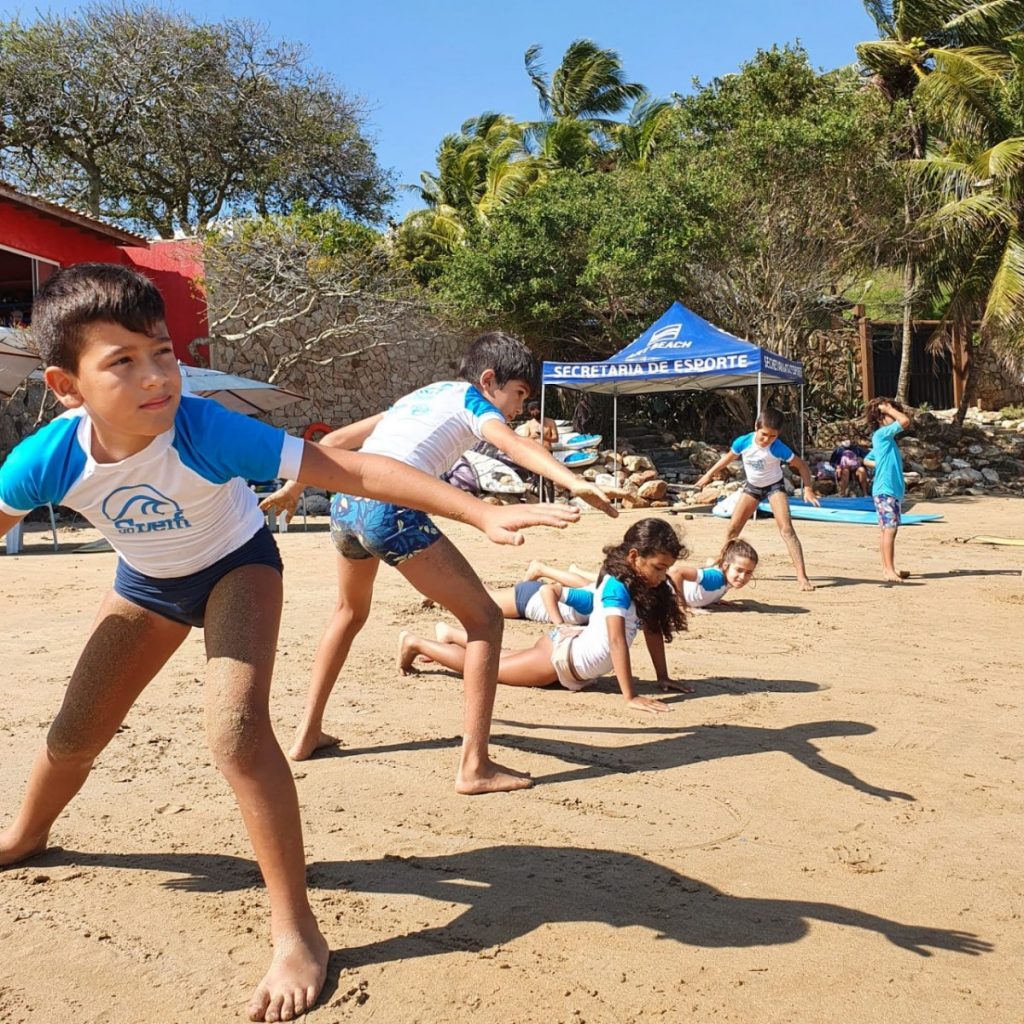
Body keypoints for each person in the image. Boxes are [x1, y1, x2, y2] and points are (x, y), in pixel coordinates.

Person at [0, 264, 579, 1023]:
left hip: (237, 568)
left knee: (236, 736)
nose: (157, 376)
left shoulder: (205, 430)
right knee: (75, 733)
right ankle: (26, 835)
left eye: (164, 352)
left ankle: (297, 931)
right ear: (66, 385)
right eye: (123, 361)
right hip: (145, 585)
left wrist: (476, 513)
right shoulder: (44, 459)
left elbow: (360, 467)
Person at [260, 331, 617, 772]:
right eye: (519, 394)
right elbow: (515, 444)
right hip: (389, 510)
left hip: (345, 507)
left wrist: (295, 490)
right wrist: (573, 480)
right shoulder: (474, 403)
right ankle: (475, 766)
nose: (520, 408)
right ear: (489, 380)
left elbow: (332, 443)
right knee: (484, 618)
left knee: (348, 613)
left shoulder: (422, 395)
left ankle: (306, 733)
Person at [399, 518, 691, 711]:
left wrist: (662, 676)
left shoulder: (642, 585)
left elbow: (653, 630)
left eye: (666, 568)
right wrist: (631, 697)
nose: (662, 575)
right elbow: (616, 642)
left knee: (500, 658)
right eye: (658, 567)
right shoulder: (617, 587)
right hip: (559, 661)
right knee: (490, 669)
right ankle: (418, 643)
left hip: (568, 650)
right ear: (634, 557)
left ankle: (451, 636)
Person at [695, 407, 819, 591]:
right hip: (752, 487)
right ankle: (721, 563)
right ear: (756, 427)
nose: (766, 440)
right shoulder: (743, 442)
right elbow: (727, 459)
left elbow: (802, 466)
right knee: (732, 529)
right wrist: (708, 475)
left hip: (774, 487)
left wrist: (808, 489)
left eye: (772, 436)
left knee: (787, 530)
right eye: (764, 435)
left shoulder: (778, 448)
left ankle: (802, 577)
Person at [864, 397, 912, 583]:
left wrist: (880, 463)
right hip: (886, 489)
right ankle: (888, 570)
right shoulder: (882, 434)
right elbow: (905, 421)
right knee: (889, 530)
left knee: (887, 530)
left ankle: (888, 567)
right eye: (890, 414)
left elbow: (867, 459)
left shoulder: (885, 439)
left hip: (890, 490)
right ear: (881, 417)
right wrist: (888, 409)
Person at [667, 539, 758, 612]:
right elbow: (676, 572)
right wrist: (681, 605)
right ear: (725, 566)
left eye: (748, 572)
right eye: (739, 570)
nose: (742, 577)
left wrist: (714, 598)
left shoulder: (727, 581)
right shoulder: (715, 577)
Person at [516, 399, 559, 500]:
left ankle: (551, 504)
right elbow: (525, 440)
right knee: (539, 481)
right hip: (534, 454)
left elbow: (556, 439)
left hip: (547, 453)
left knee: (548, 480)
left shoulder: (550, 422)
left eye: (537, 410)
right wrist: (533, 437)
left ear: (541, 410)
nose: (535, 412)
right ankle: (542, 503)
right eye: (532, 410)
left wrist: (544, 436)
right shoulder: (529, 424)